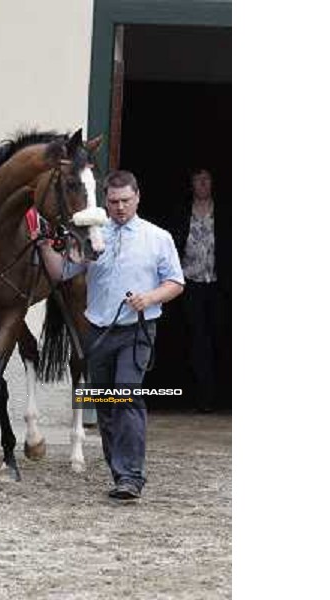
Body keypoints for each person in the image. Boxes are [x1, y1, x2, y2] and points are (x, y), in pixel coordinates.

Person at [37, 170, 184, 501]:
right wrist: (47, 245)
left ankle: (131, 476)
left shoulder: (157, 237)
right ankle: (120, 473)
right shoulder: (94, 237)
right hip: (98, 330)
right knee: (105, 403)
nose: (119, 208)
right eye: (114, 202)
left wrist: (148, 298)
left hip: (138, 330)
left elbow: (176, 282)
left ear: (137, 198)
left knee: (126, 397)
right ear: (106, 202)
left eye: (125, 201)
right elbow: (63, 272)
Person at [170, 168, 227, 412]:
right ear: (191, 185)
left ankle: (220, 395)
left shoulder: (225, 211)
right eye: (198, 180)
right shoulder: (182, 212)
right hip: (189, 283)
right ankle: (199, 398)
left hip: (219, 285)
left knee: (219, 337)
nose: (203, 184)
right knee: (196, 339)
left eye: (207, 180)